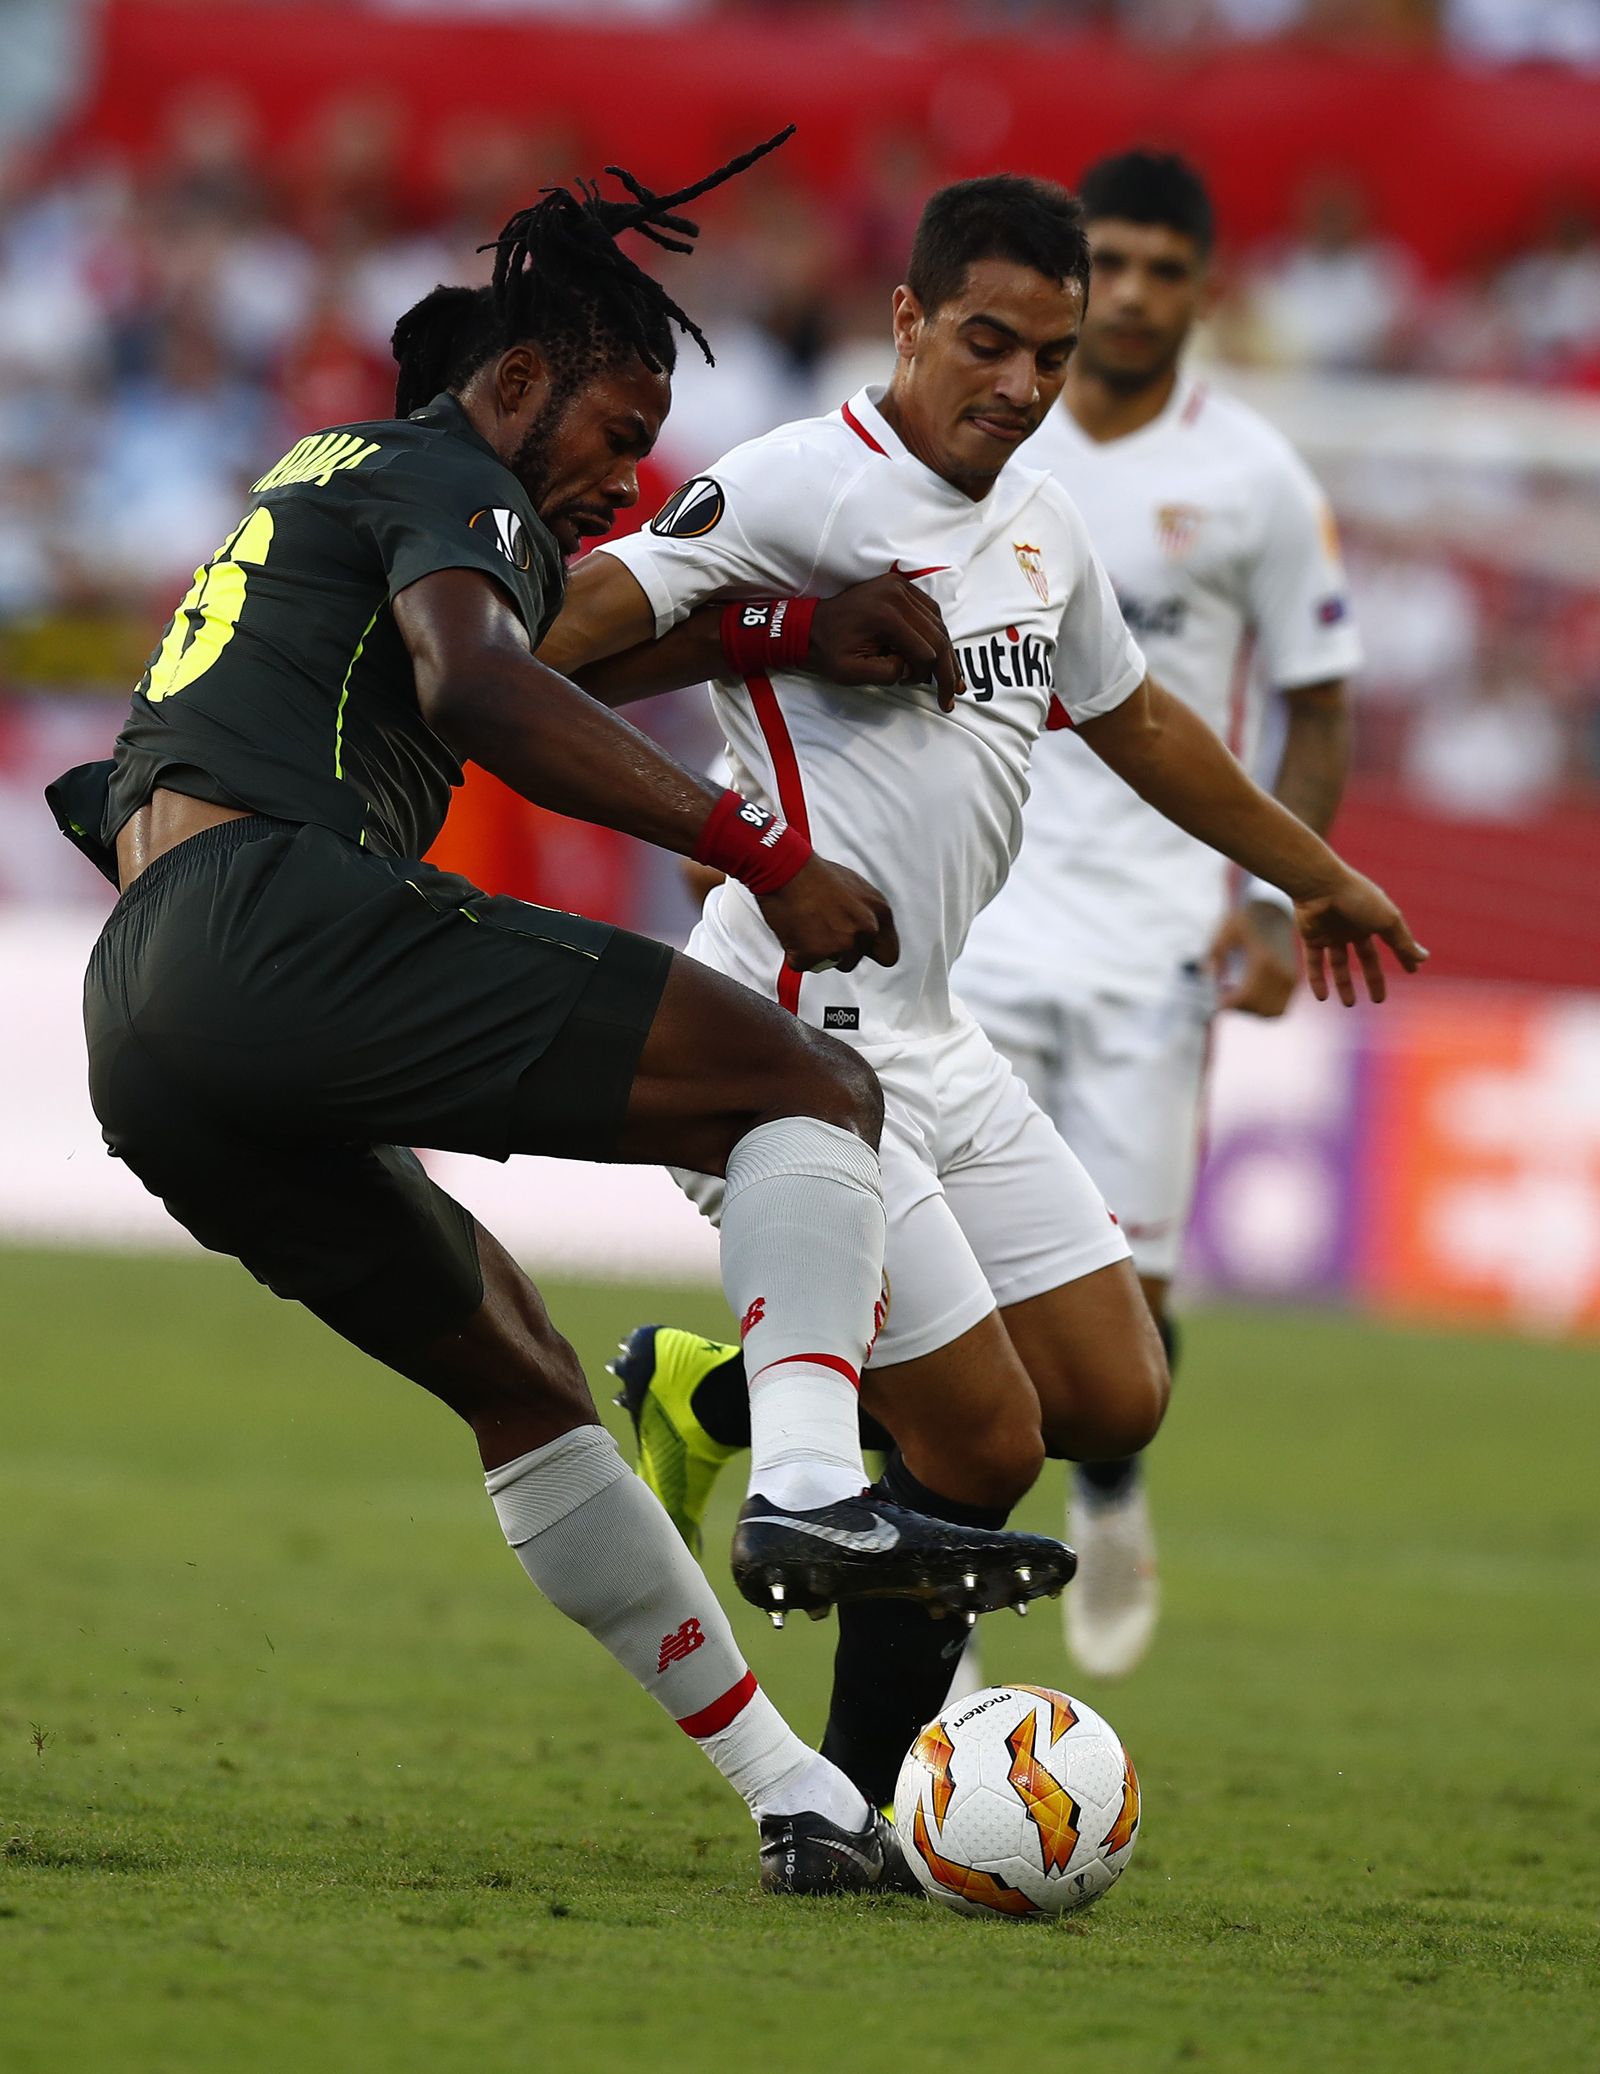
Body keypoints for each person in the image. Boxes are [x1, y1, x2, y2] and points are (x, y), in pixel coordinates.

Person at [45, 137, 1074, 1898]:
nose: (627, 472)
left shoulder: (320, 488)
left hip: (142, 1016)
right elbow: (486, 680)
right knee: (809, 1081)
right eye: (615, 424)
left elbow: (515, 654)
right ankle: (813, 1476)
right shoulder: (453, 470)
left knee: (520, 1377)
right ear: (514, 382)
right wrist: (754, 845)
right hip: (281, 921)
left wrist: (796, 627)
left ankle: (800, 1795)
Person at [536, 173, 1426, 1813]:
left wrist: (1310, 869)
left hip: (936, 1027)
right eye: (991, 344)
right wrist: (786, 632)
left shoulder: (1040, 521)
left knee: (1112, 1395)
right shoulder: (801, 480)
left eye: (1053, 358)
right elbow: (563, 643)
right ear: (909, 323)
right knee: (982, 1445)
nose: (1020, 387)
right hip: (791, 1038)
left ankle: (712, 1384)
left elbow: (1142, 723)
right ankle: (854, 1807)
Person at [953, 150, 1364, 1679]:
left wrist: (1272, 896)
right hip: (974, 917)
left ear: (1201, 286)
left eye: (1160, 270)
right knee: (958, 1280)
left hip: (1155, 937)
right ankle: (959, 1597)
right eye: (1105, 264)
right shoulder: (982, 437)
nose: (1128, 294)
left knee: (1123, 1304)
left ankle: (1111, 1490)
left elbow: (1319, 701)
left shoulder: (1253, 477)